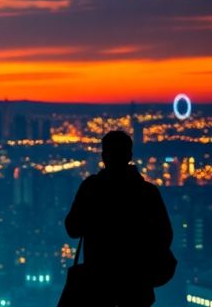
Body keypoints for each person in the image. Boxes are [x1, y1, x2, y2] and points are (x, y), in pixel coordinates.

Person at [65, 130, 173, 306]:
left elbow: (72, 229)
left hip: (99, 285)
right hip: (136, 286)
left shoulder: (92, 188)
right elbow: (165, 236)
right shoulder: (147, 192)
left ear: (104, 156)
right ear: (129, 156)